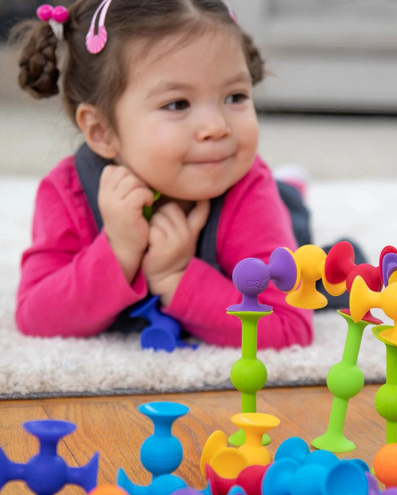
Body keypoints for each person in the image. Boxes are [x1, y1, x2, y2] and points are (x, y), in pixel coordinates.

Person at [12, 0, 313, 349]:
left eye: (235, 97)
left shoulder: (248, 189)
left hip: (270, 209)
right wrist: (118, 250)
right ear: (101, 131)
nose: (217, 127)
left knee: (297, 229)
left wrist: (177, 278)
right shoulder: (68, 192)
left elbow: (289, 326)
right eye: (177, 104)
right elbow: (35, 317)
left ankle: (290, 191)